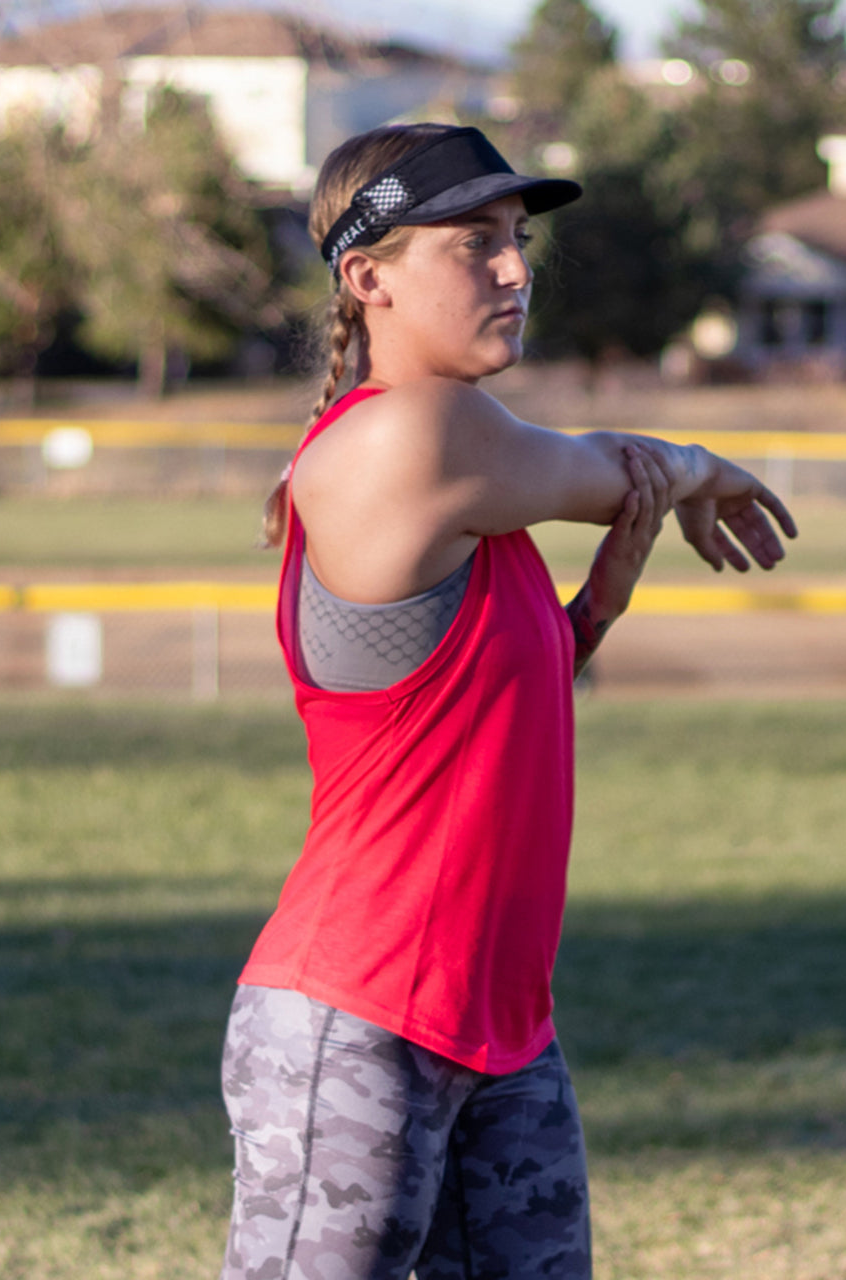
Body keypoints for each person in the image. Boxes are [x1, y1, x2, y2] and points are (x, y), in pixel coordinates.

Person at [219, 122, 797, 1280]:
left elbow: (469, 724)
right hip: (363, 1020)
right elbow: (608, 467)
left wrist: (594, 613)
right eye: (472, 241)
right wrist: (699, 461)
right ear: (367, 277)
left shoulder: (469, 490)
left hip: (498, 1025)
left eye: (516, 240)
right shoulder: (417, 433)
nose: (514, 269)